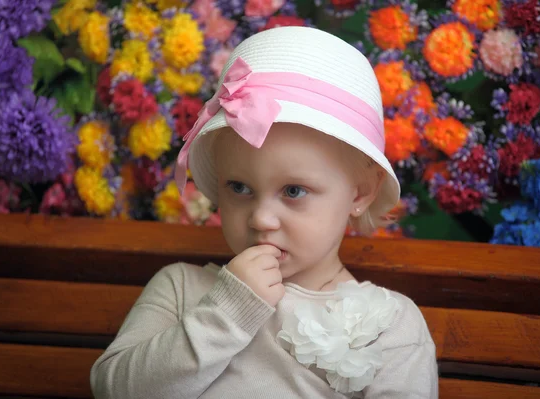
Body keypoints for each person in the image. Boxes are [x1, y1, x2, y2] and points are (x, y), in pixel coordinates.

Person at [90, 26, 438, 399]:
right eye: (239, 188)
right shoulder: (181, 289)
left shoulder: (392, 326)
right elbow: (113, 390)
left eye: (293, 191)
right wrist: (226, 313)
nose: (260, 219)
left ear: (361, 192)